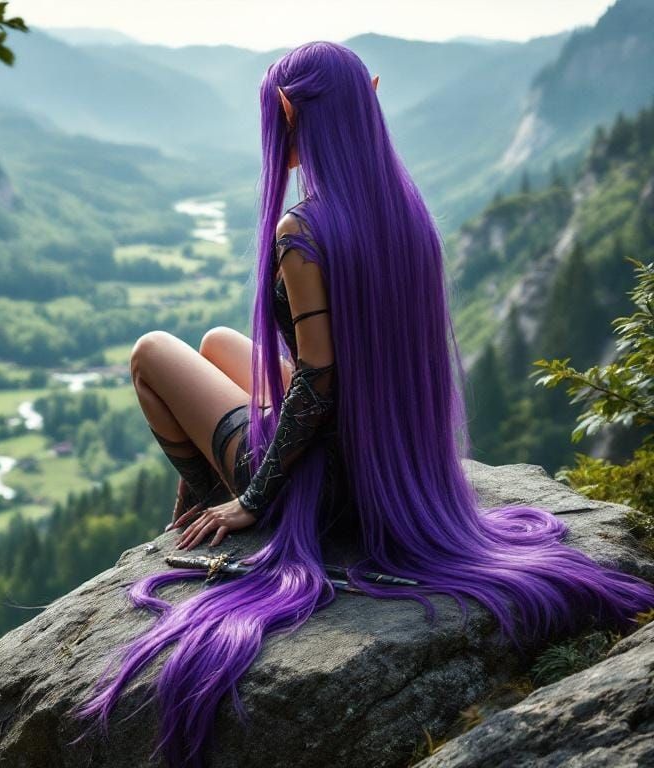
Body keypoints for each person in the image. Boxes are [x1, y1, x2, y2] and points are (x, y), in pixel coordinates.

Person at [70, 41, 654, 768]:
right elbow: (346, 369)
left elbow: (320, 378)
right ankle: (208, 497)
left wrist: (253, 498)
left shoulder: (302, 230)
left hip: (322, 487)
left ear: (289, 112)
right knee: (219, 341)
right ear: (367, 96)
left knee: (152, 351)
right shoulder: (404, 212)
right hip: (382, 466)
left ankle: (208, 500)